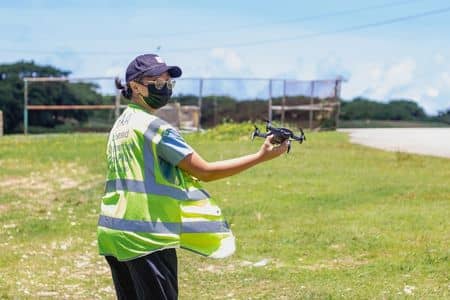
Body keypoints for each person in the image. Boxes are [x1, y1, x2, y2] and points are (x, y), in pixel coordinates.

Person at [97, 54, 289, 300]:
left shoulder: (120, 126)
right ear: (135, 86)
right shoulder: (155, 128)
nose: (165, 87)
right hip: (146, 236)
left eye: (168, 82)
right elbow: (205, 171)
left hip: (113, 232)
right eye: (157, 81)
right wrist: (260, 157)